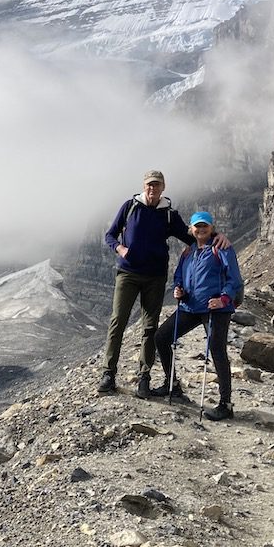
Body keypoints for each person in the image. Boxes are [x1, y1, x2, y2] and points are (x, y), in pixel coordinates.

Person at [98, 170, 229, 395]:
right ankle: (108, 374)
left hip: (155, 278)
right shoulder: (130, 207)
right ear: (144, 186)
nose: (152, 189)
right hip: (128, 274)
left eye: (157, 185)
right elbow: (110, 235)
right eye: (149, 185)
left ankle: (144, 377)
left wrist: (218, 236)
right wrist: (120, 249)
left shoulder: (168, 214)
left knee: (150, 327)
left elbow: (193, 235)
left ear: (163, 187)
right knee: (118, 322)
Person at [150, 210, 243, 421]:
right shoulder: (188, 252)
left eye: (205, 226)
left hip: (216, 309)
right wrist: (178, 289)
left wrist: (223, 299)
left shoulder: (222, 249)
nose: (201, 230)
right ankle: (172, 385)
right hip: (190, 307)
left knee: (217, 350)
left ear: (211, 228)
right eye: (197, 226)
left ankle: (225, 404)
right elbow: (179, 276)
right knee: (161, 338)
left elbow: (234, 279)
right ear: (191, 229)